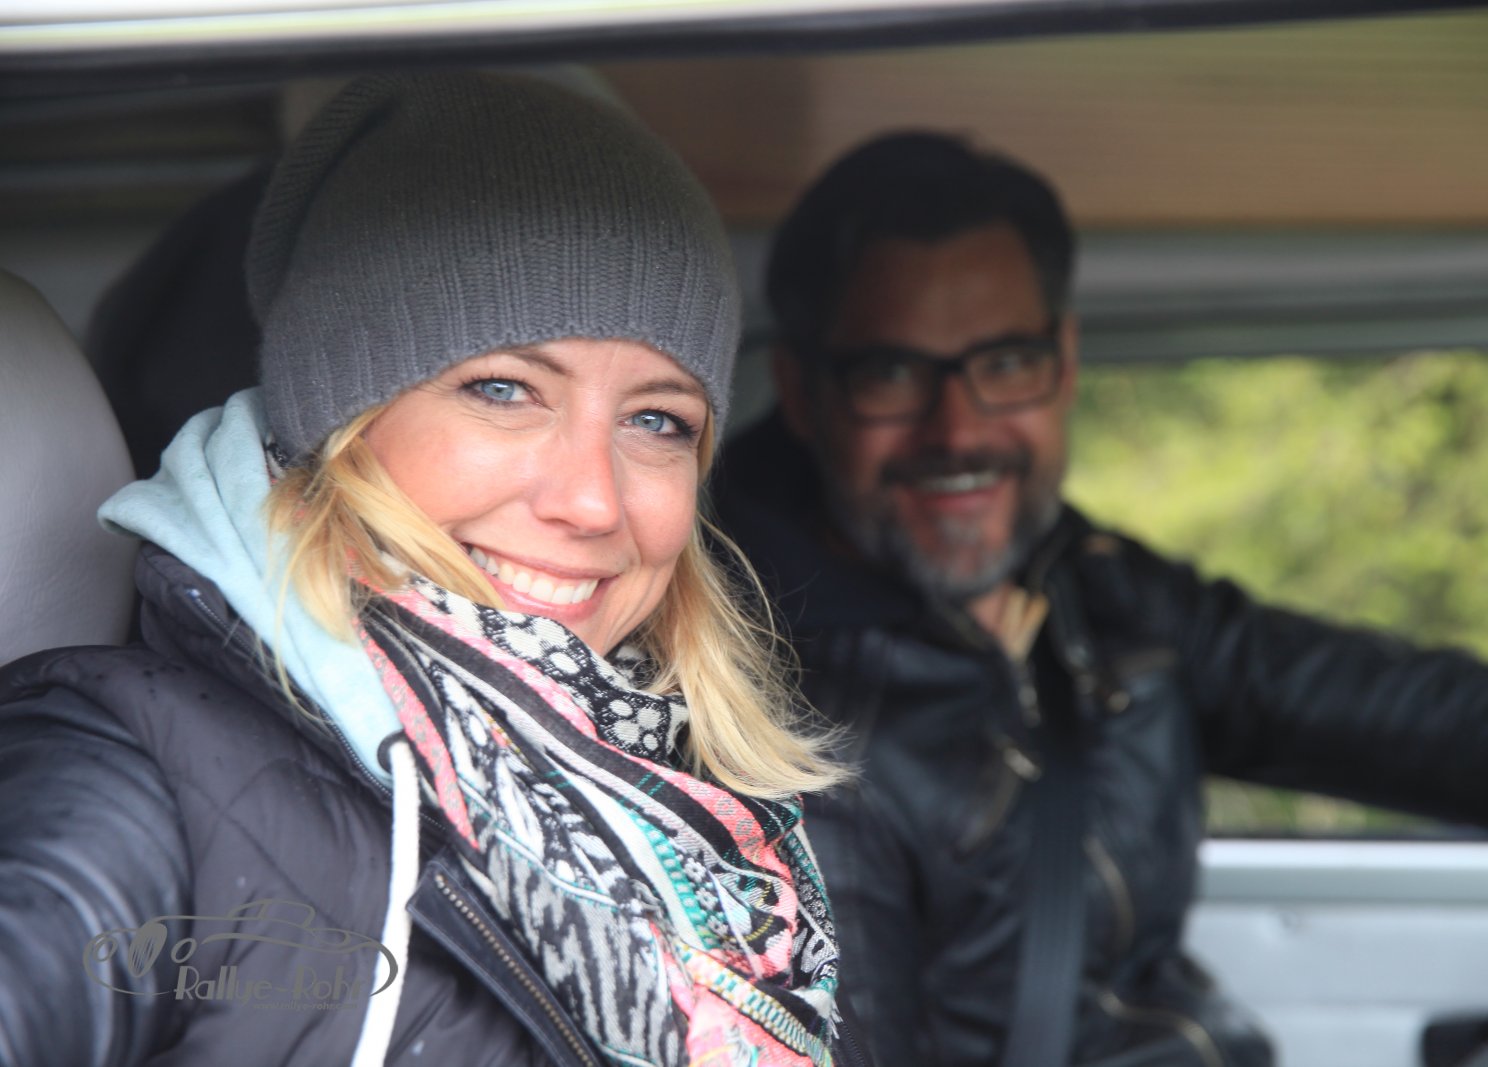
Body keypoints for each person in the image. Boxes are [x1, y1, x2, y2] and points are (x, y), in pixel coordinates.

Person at [0, 71, 869, 1067]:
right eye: (503, 389)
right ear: (338, 419)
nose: (593, 500)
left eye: (656, 419)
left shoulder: (723, 823)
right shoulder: (131, 777)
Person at [710, 131, 1488, 1067]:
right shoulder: (762, 726)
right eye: (893, 374)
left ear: (1064, 360)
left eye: (1005, 362)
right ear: (803, 393)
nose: (959, 430)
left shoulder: (1080, 584)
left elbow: (1402, 711)